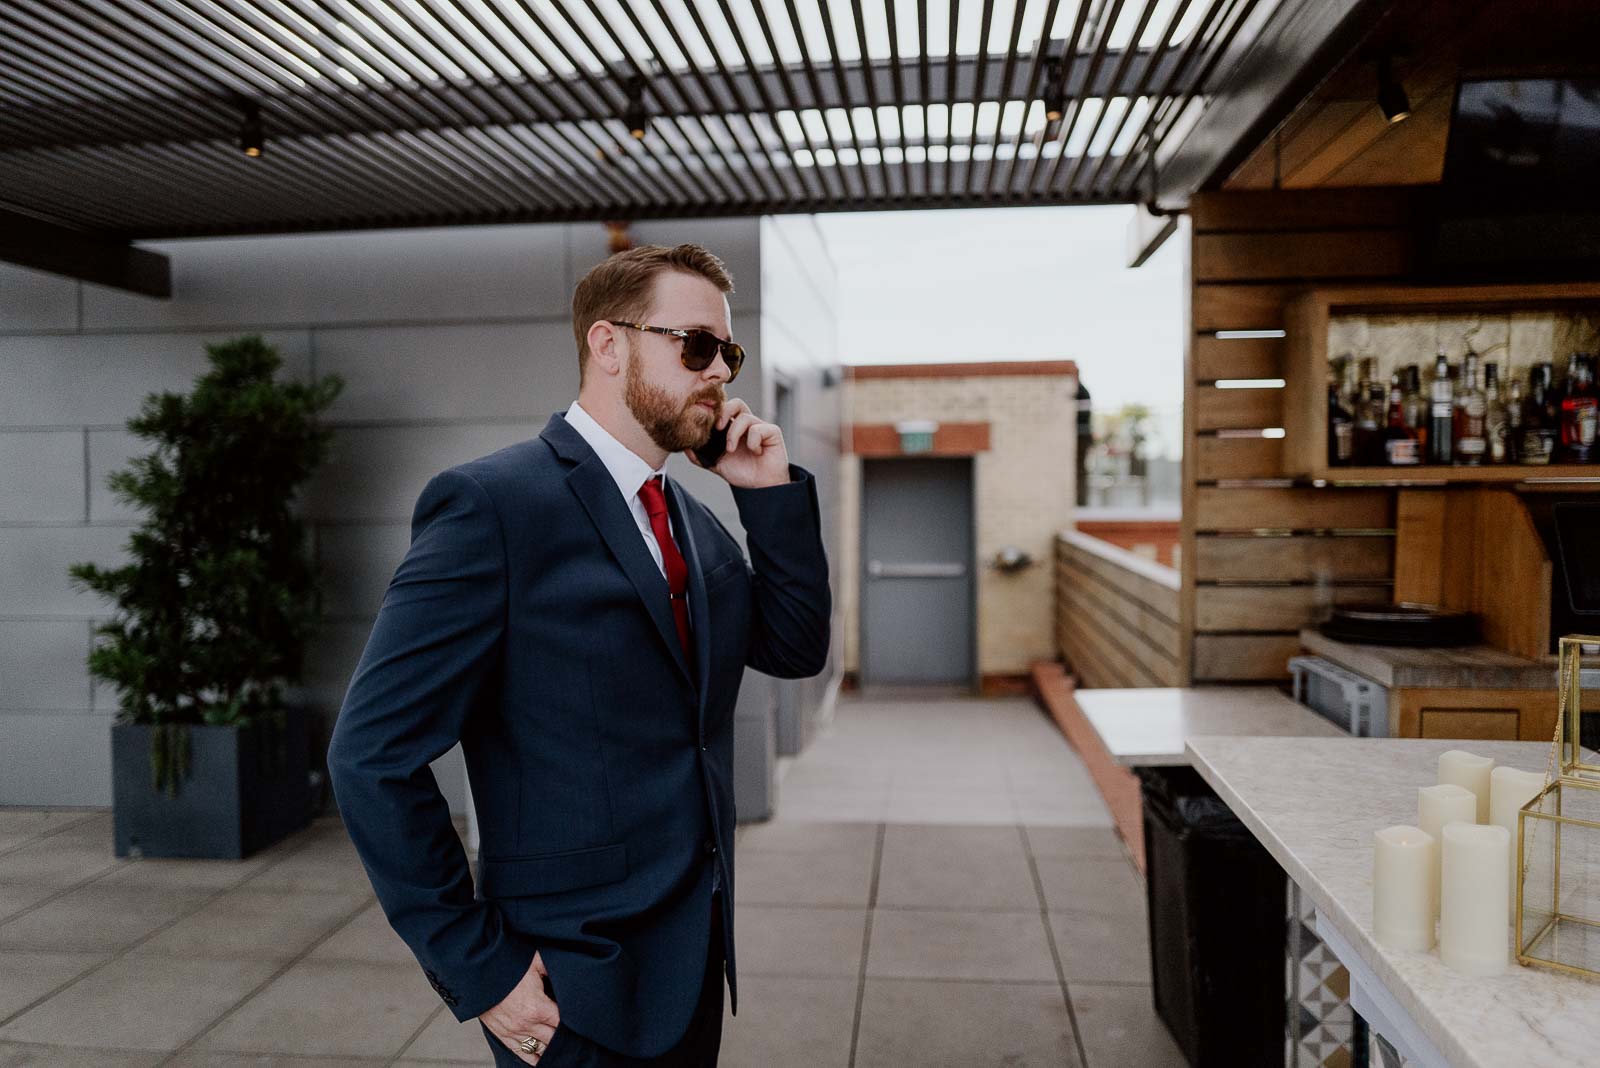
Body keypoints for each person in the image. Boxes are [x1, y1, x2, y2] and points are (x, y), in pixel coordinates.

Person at [326, 242, 832, 1067]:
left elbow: (794, 644)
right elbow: (371, 757)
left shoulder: (691, 521)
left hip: (693, 960)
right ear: (609, 345)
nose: (718, 373)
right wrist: (479, 968)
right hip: (569, 985)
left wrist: (767, 497)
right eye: (696, 346)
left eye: (727, 353)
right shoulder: (494, 506)